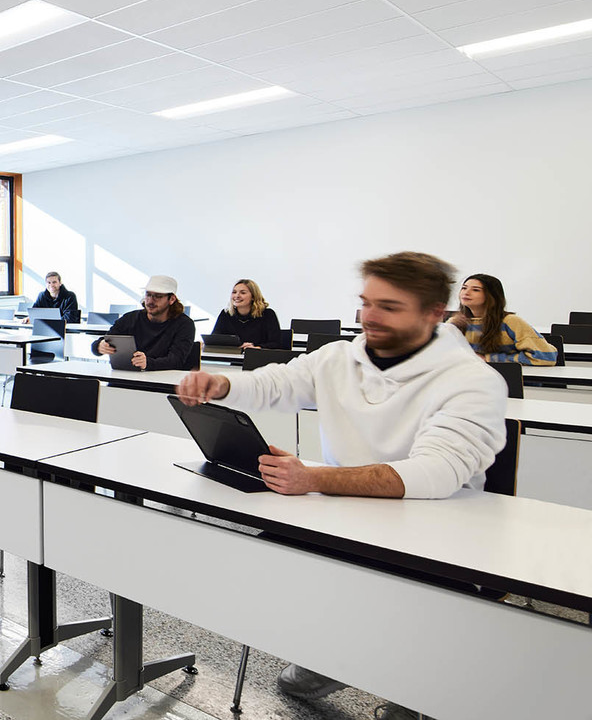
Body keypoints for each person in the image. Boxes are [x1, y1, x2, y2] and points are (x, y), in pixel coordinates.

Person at [176, 252, 506, 716]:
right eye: (366, 302)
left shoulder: (472, 381)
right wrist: (222, 385)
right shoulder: (340, 357)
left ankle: (412, 685)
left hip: (436, 531)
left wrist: (313, 478)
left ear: (434, 313)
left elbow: (437, 471)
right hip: (346, 514)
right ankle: (336, 649)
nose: (370, 316)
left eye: (389, 307)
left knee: (405, 605)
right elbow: (280, 382)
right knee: (265, 557)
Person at [448, 274, 556, 365]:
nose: (466, 293)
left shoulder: (510, 322)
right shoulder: (456, 322)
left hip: (511, 379)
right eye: (464, 288)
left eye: (476, 290)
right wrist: (448, 328)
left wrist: (488, 359)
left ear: (491, 296)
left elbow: (546, 357)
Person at [91, 275, 195, 370]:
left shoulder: (184, 324)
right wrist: (99, 346)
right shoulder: (130, 318)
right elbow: (103, 341)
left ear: (171, 299)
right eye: (148, 295)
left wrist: (148, 363)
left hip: (163, 380)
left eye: (158, 296)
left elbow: (176, 360)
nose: (150, 301)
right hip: (128, 377)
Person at [210, 279, 285, 349]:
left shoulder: (268, 314)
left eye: (243, 293)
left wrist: (256, 348)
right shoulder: (226, 314)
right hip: (233, 357)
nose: (237, 296)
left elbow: (276, 343)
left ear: (253, 296)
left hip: (258, 357)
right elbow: (214, 339)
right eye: (234, 292)